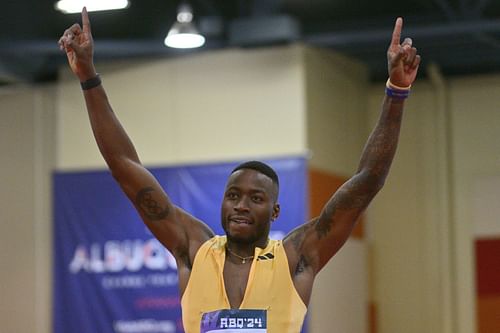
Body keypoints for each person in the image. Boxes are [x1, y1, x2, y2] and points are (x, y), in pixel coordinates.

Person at [59, 8, 420, 333]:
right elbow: (125, 167)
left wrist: (396, 92)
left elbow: (367, 182)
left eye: (256, 198)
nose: (241, 205)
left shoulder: (296, 258)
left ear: (275, 211)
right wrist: (89, 78)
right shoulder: (193, 249)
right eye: (233, 196)